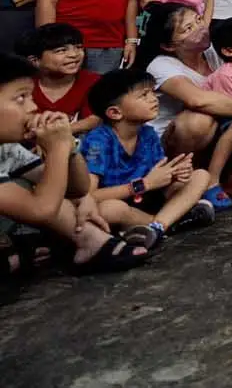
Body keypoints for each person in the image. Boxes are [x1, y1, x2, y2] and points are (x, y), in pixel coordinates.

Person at [0, 54, 151, 275]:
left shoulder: (6, 148)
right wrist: (57, 149)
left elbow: (76, 188)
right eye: (21, 98)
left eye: (31, 96)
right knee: (32, 190)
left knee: (48, 183)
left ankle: (87, 244)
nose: (33, 107)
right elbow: (41, 210)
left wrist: (69, 147)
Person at [137, 6, 232, 208]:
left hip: (219, 131)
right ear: (170, 45)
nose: (199, 28)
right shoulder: (161, 65)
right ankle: (187, 182)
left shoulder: (214, 52)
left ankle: (227, 179)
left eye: (198, 19)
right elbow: (201, 101)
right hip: (174, 144)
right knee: (199, 120)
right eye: (188, 28)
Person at [79, 69, 215, 248]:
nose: (154, 99)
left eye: (152, 92)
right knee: (109, 209)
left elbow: (158, 176)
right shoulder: (98, 141)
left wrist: (175, 173)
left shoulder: (148, 133)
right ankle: (169, 222)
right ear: (115, 113)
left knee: (201, 176)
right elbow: (89, 195)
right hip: (122, 203)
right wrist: (144, 184)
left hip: (150, 199)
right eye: (144, 95)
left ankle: (156, 227)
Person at [18, 23, 101, 133]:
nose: (74, 54)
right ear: (35, 61)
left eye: (78, 47)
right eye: (61, 50)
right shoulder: (21, 85)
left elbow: (94, 119)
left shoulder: (93, 81)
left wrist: (54, 135)